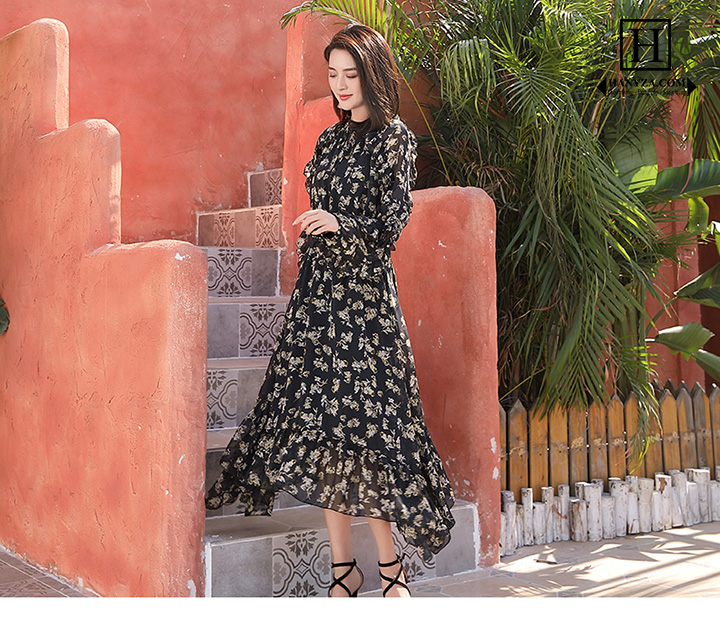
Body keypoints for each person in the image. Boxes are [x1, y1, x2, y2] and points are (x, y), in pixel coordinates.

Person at [205, 23, 455, 598]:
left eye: (351, 74)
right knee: (322, 434)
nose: (341, 86)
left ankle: (391, 570)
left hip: (367, 307)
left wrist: (339, 222)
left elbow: (389, 225)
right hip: (319, 299)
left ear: (372, 75)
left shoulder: (394, 139)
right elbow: (322, 214)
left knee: (371, 435)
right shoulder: (328, 141)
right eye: (334, 75)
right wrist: (319, 230)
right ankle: (344, 571)